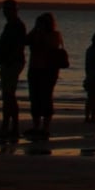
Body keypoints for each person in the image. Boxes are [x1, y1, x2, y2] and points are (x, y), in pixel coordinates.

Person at [25, 12, 66, 140]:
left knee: (46, 97)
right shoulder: (35, 33)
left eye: (42, 23)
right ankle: (36, 126)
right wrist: (34, 29)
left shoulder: (54, 35)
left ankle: (45, 127)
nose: (40, 25)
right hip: (35, 68)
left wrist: (41, 34)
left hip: (49, 70)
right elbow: (25, 41)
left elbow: (49, 46)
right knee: (34, 97)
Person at [0, 0, 27, 140]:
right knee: (7, 95)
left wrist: (9, 61)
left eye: (8, 9)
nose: (5, 12)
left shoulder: (17, 25)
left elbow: (19, 46)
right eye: (4, 9)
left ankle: (12, 127)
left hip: (12, 64)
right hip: (7, 63)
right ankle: (7, 126)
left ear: (14, 10)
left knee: (9, 95)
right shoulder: (10, 25)